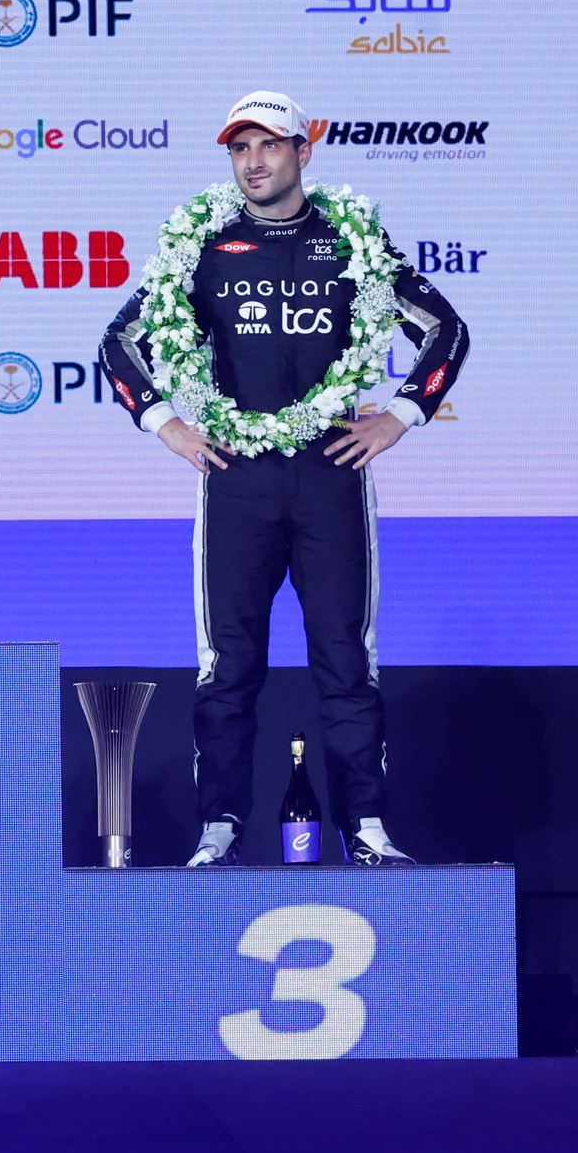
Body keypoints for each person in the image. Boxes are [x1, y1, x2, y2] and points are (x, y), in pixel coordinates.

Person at [99, 92, 469, 867]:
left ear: (305, 151)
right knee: (228, 668)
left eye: (270, 146)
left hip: (330, 479)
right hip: (235, 480)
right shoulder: (202, 243)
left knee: (346, 660)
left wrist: (401, 414)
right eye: (240, 149)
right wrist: (165, 424)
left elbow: (447, 331)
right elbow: (119, 340)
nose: (254, 163)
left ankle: (366, 833)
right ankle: (219, 833)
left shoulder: (353, 240)